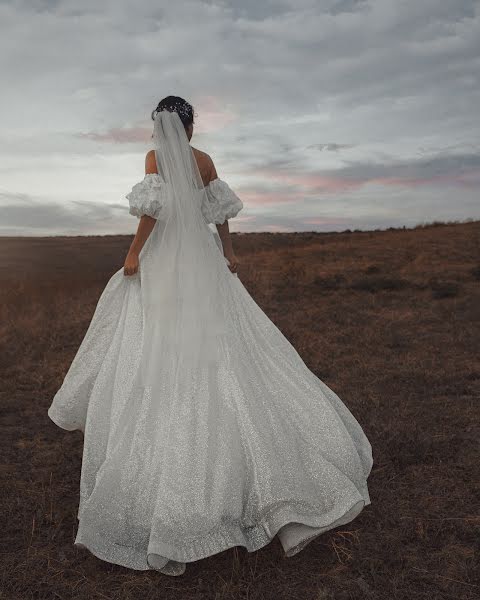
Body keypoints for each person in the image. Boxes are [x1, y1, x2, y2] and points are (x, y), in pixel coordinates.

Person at [48, 95, 373, 577]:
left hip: (166, 258)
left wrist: (133, 253)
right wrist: (228, 251)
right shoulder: (204, 161)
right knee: (220, 344)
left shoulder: (155, 156)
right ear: (191, 126)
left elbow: (152, 211)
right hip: (202, 259)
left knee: (160, 341)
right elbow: (220, 211)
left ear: (161, 127)